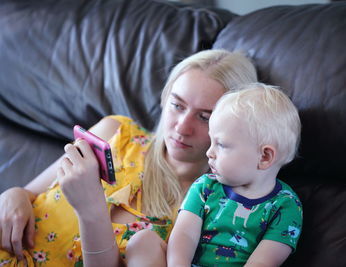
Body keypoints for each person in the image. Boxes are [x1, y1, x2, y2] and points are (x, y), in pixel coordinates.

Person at [0, 49, 258, 267]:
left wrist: (92, 212)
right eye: (177, 105)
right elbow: (28, 192)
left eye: (204, 117)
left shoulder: (206, 209)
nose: (181, 127)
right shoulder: (116, 131)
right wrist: (13, 196)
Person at [167, 83, 303, 267]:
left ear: (264, 156)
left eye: (221, 144)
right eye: (211, 141)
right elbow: (183, 236)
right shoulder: (205, 187)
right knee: (143, 242)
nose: (209, 152)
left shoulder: (286, 206)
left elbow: (263, 262)